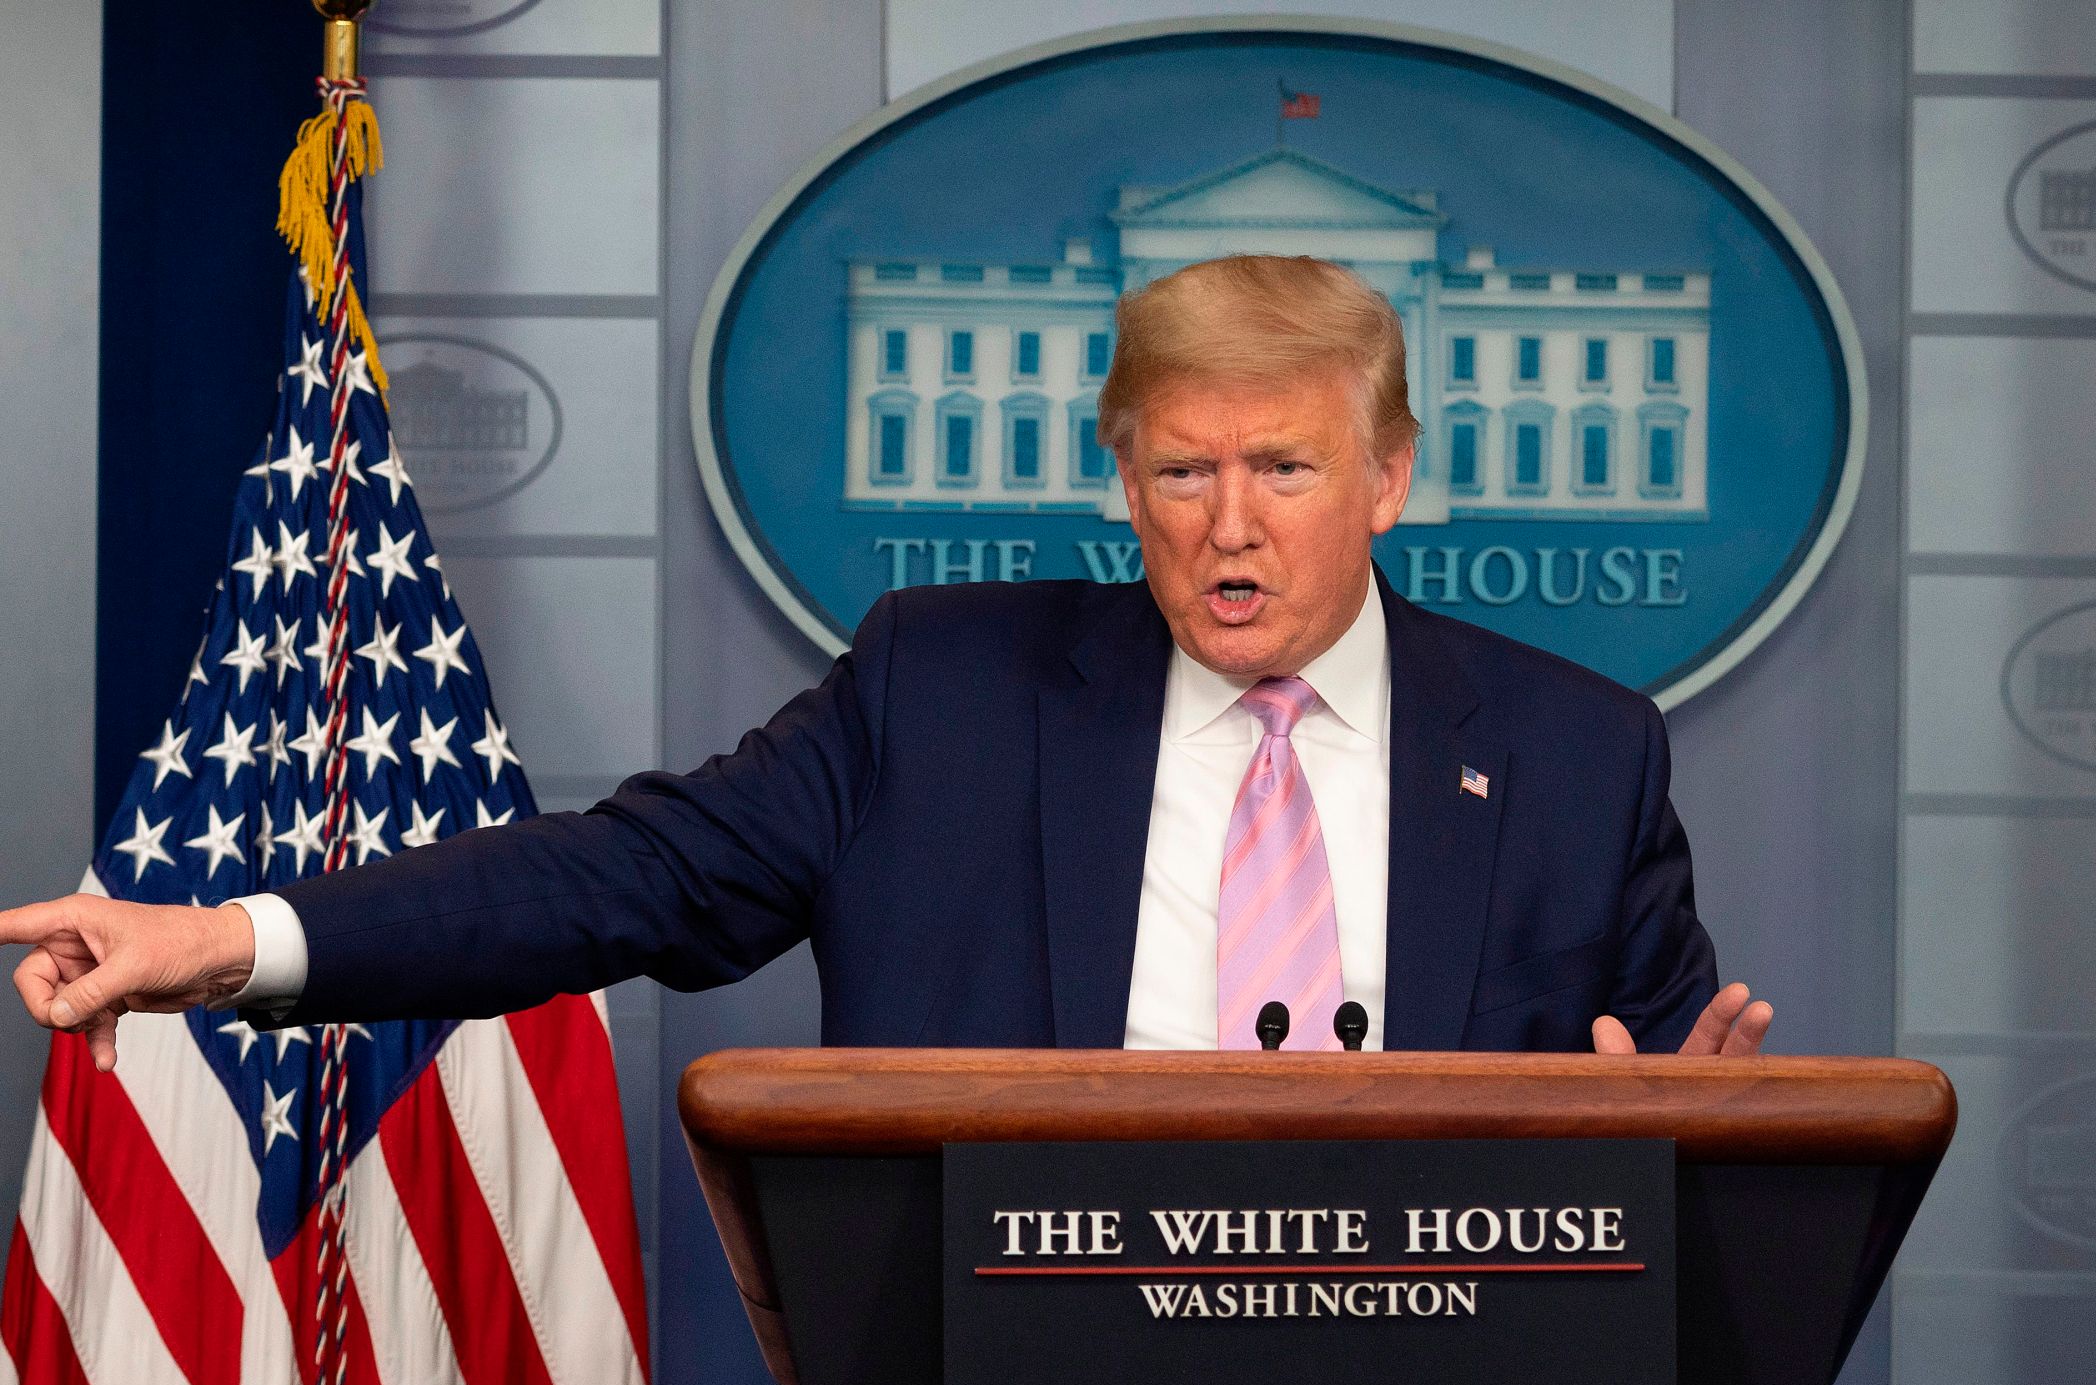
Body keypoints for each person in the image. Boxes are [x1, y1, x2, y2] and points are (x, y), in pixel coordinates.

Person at [7, 254, 1773, 1068]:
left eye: (1287, 469)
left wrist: (1689, 1136)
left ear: (1387, 477)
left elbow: (1686, 1095)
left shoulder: (1573, 749)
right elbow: (630, 877)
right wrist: (234, 942)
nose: (1231, 525)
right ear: (1123, 478)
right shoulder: (945, 687)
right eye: (1184, 469)